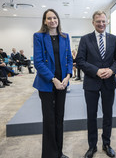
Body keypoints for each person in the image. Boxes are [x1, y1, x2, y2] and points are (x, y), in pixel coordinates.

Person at [76, 10, 116, 158]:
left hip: (109, 82)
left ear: (107, 21)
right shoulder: (85, 39)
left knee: (108, 115)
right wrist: (96, 71)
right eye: (98, 21)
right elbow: (80, 61)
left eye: (103, 21)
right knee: (91, 115)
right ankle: (92, 146)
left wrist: (112, 70)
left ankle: (106, 144)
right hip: (91, 82)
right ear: (93, 22)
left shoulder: (114, 39)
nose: (101, 24)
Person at [33, 8, 73, 158]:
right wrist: (54, 79)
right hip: (47, 84)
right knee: (49, 120)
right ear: (44, 21)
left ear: (58, 20)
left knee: (59, 119)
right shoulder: (39, 37)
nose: (52, 21)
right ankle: (49, 154)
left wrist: (68, 77)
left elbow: (69, 59)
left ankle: (59, 152)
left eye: (54, 18)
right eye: (49, 18)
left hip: (62, 83)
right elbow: (38, 62)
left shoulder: (65, 37)